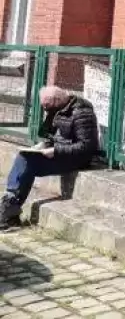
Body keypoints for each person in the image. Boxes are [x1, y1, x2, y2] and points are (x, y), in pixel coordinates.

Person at [0, 86, 100, 228]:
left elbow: (87, 147)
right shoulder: (57, 109)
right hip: (57, 153)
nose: (45, 109)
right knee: (24, 156)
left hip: (74, 159)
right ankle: (10, 205)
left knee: (28, 162)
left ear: (57, 100)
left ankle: (9, 212)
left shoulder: (82, 113)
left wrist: (56, 150)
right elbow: (52, 135)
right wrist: (44, 144)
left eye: (46, 105)